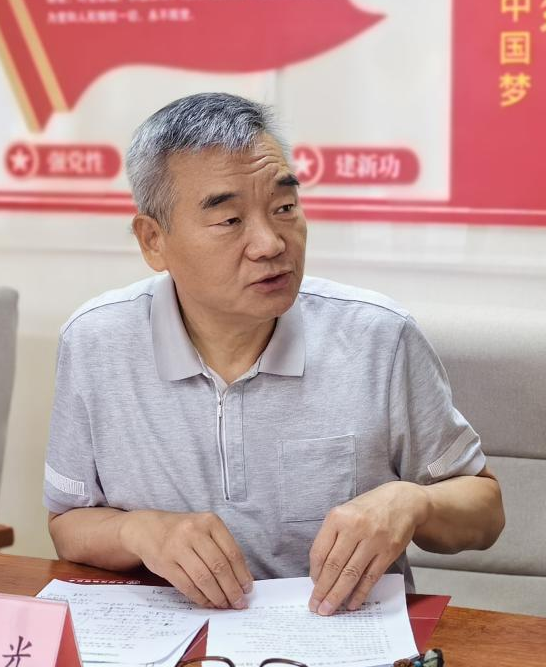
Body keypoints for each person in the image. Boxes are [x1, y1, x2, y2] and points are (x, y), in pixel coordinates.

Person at [44, 93, 503, 616]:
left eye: (284, 209)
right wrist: (138, 531)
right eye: (229, 220)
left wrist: (413, 501)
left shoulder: (379, 338)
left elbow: (486, 511)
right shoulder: (95, 341)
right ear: (153, 240)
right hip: (168, 641)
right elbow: (67, 523)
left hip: (336, 636)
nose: (270, 244)